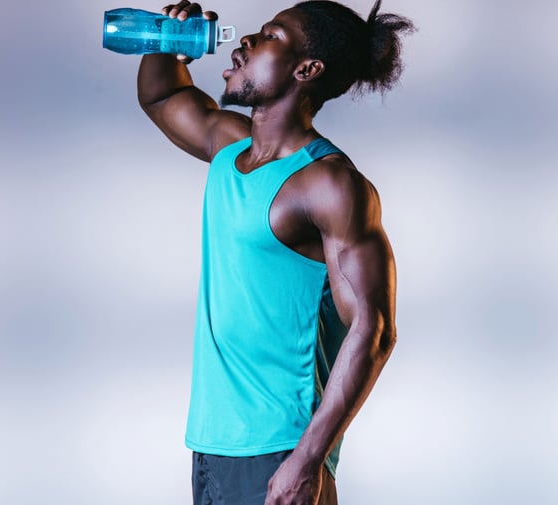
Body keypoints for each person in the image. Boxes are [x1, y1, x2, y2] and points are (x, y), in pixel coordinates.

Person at [136, 1, 414, 504]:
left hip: (281, 449)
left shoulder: (329, 185)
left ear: (306, 70)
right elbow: (163, 95)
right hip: (212, 442)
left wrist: (308, 460)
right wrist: (167, 40)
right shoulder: (228, 146)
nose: (246, 41)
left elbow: (372, 331)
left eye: (270, 36)